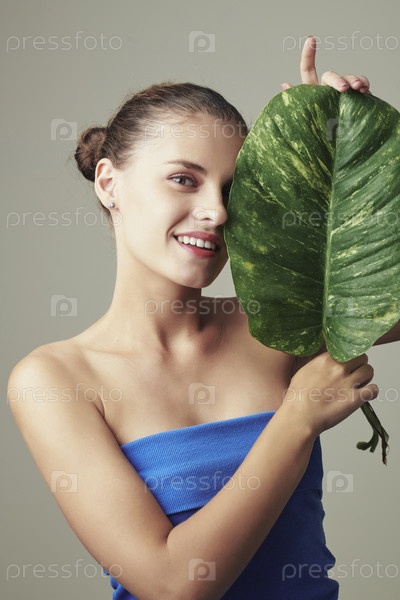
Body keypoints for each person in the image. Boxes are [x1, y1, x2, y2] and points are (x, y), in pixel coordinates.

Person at [8, 36, 399, 600]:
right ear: (109, 183)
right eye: (184, 179)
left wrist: (334, 167)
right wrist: (296, 419)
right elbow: (174, 585)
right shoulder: (55, 379)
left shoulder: (282, 323)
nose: (216, 211)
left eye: (233, 189)